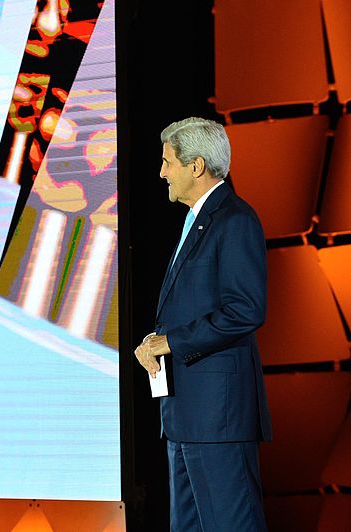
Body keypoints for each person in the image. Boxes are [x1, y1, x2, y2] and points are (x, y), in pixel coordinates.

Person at [134, 117, 272, 531]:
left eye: (167, 162)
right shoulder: (197, 219)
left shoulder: (235, 220)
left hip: (218, 417)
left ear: (196, 166)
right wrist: (158, 340)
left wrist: (171, 342)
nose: (161, 173)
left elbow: (246, 308)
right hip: (186, 415)